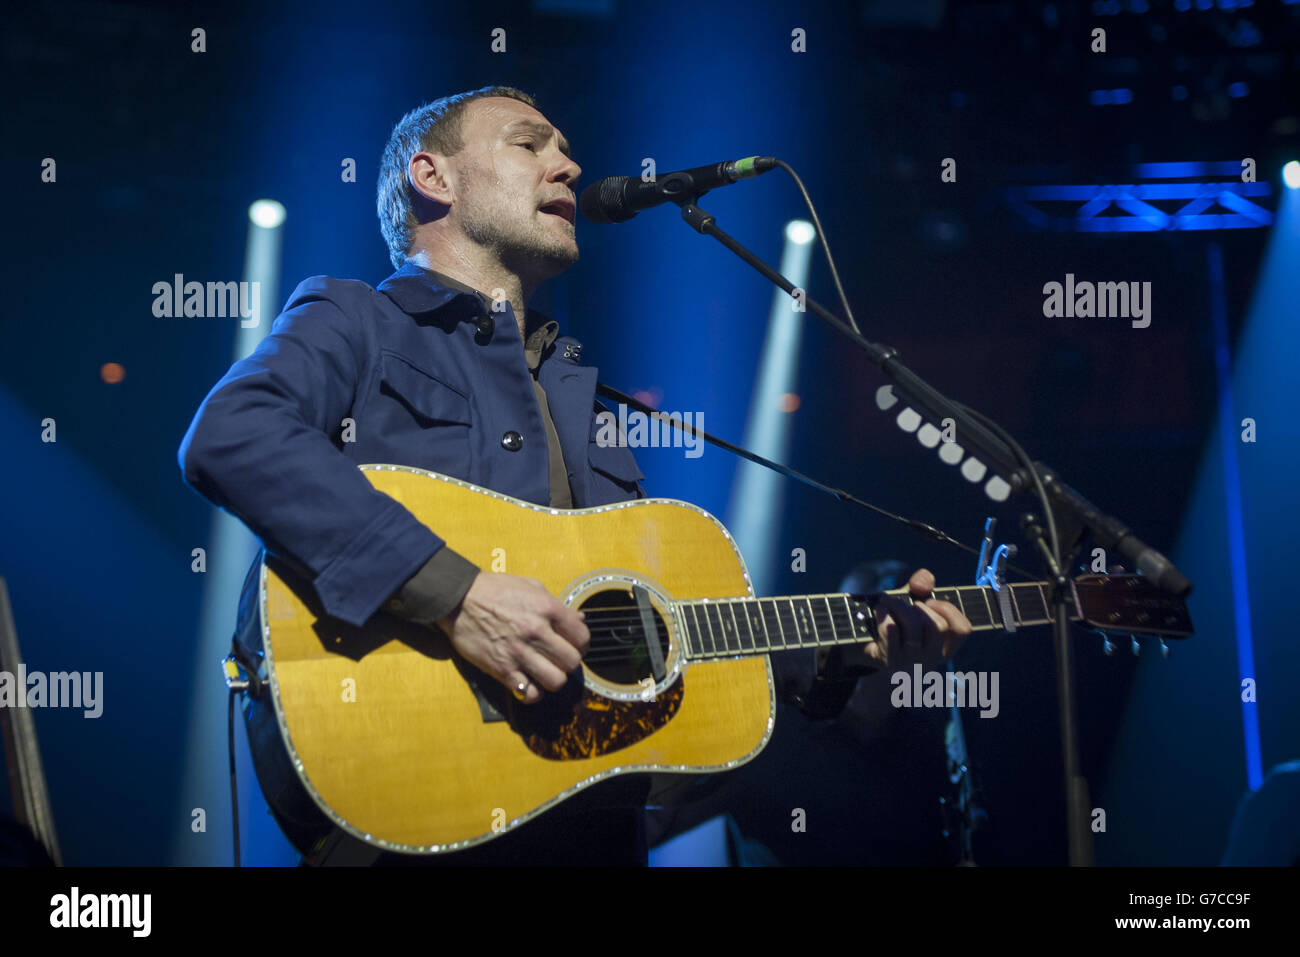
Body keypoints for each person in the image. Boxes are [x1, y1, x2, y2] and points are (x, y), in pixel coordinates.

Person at [178, 85, 972, 865]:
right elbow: (232, 434)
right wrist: (454, 594)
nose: (569, 165)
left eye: (564, 149)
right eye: (530, 144)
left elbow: (641, 640)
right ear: (433, 178)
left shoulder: (572, 386)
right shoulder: (356, 319)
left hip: (587, 826)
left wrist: (844, 652)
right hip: (408, 799)